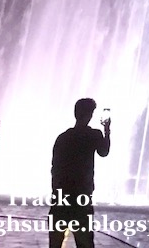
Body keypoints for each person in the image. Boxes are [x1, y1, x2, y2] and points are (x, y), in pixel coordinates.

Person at [48, 99, 110, 248]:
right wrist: (107, 130)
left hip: (61, 196)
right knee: (85, 242)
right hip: (82, 196)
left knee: (55, 242)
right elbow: (104, 151)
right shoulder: (93, 135)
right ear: (90, 115)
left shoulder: (62, 137)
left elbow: (54, 167)